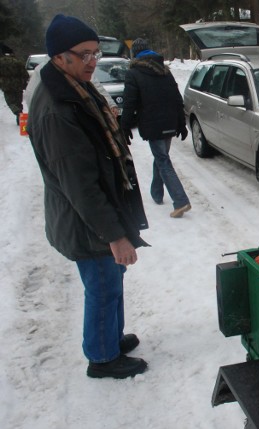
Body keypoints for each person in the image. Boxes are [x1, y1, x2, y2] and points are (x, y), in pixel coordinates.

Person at [27, 14, 149, 379]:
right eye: (84, 55)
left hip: (98, 213)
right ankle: (101, 357)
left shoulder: (77, 91)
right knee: (102, 287)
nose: (92, 62)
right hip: (87, 222)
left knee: (112, 281)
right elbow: (79, 185)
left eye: (95, 53)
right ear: (59, 57)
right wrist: (114, 235)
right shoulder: (57, 109)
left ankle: (109, 338)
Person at [120, 38, 191, 218]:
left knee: (162, 160)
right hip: (169, 123)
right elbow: (177, 98)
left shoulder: (134, 73)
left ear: (135, 55)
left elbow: (129, 103)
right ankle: (156, 193)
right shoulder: (165, 71)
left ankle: (180, 201)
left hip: (153, 125)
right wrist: (181, 124)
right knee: (161, 156)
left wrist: (124, 126)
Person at [24, 57, 120, 117]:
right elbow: (31, 99)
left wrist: (110, 104)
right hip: (56, 125)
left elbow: (95, 86)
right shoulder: (42, 71)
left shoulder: (78, 66)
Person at [0, 42, 29, 125]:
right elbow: (25, 74)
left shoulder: (1, 62)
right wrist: (23, 82)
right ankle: (19, 115)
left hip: (6, 85)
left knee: (11, 102)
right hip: (19, 85)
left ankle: (18, 113)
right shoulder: (18, 62)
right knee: (18, 101)